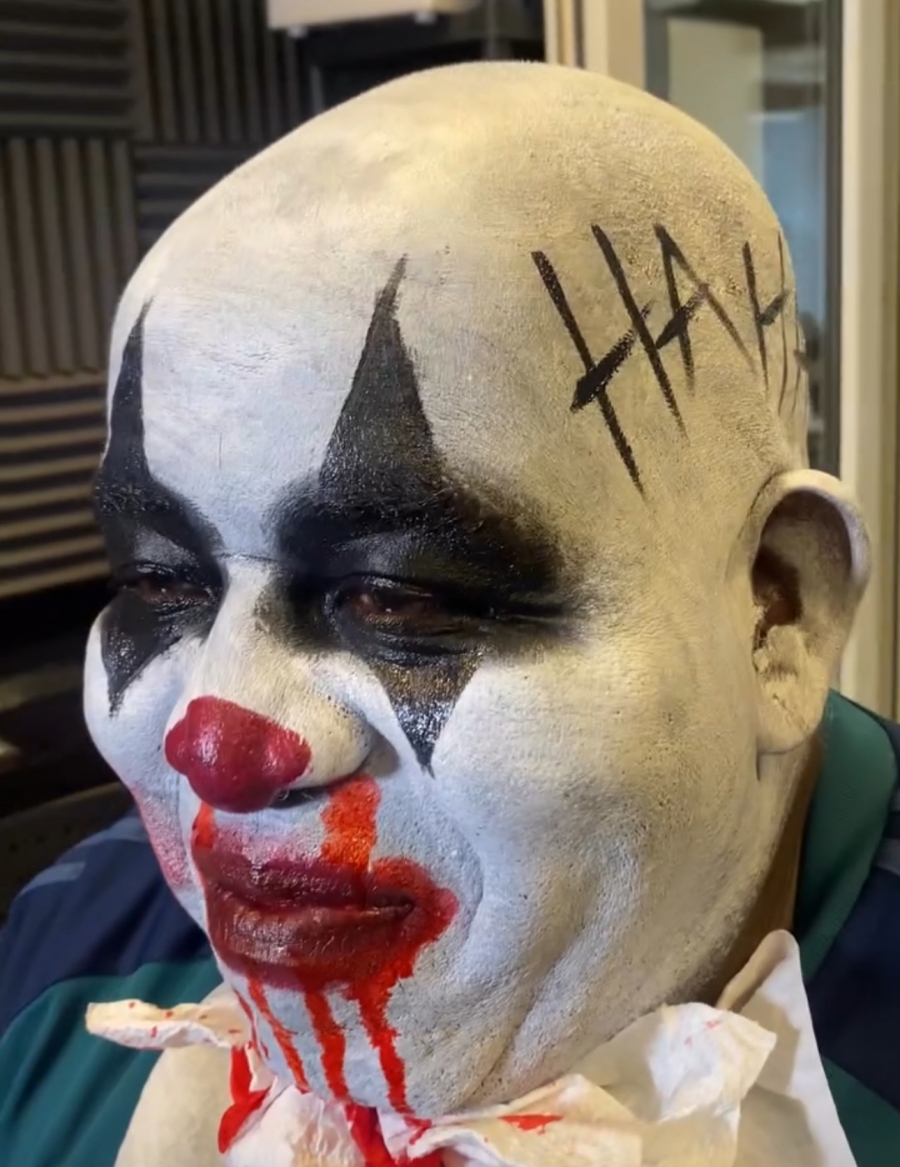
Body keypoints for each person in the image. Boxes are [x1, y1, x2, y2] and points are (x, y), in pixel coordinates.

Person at [1, 62, 898, 1167]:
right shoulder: (62, 958)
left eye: (397, 595)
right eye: (159, 583)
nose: (218, 750)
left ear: (777, 612)